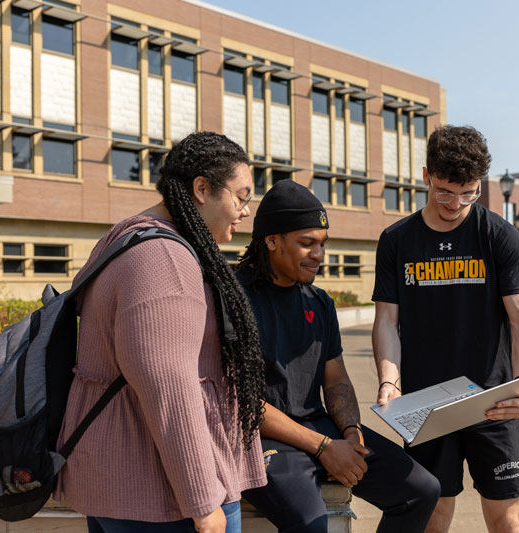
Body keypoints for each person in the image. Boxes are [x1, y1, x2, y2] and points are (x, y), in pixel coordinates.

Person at [55, 132, 267, 533]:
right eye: (240, 197)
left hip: (125, 485)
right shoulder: (164, 260)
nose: (245, 211)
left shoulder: (128, 237)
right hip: (161, 499)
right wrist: (203, 501)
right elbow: (167, 384)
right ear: (202, 189)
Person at [235, 179, 440, 533]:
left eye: (323, 244)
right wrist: (324, 448)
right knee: (313, 525)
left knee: (421, 490)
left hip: (320, 427)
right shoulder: (234, 298)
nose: (319, 254)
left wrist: (351, 434)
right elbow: (241, 402)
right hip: (262, 438)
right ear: (271, 241)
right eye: (306, 243)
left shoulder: (319, 303)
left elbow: (336, 378)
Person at [372, 125, 519, 533]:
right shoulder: (397, 240)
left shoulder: (501, 236)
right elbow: (387, 321)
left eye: (469, 193)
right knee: (434, 512)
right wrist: (389, 382)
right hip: (427, 405)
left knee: (506, 519)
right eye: (446, 191)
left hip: (494, 402)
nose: (456, 203)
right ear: (427, 175)